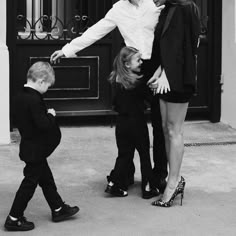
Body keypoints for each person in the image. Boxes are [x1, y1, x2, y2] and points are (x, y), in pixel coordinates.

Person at [50, 0, 168, 193]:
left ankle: (159, 175)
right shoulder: (119, 9)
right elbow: (96, 31)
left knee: (159, 123)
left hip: (154, 66)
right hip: (131, 67)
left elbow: (167, 32)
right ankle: (125, 175)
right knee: (129, 120)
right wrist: (67, 50)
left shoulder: (153, 5)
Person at [4, 62, 79, 231]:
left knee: (46, 180)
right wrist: (50, 115)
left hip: (30, 147)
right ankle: (13, 217)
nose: (47, 89)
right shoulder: (34, 99)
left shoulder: (19, 96)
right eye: (47, 85)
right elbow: (43, 125)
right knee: (29, 183)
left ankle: (58, 208)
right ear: (40, 81)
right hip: (36, 149)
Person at [148, 0, 201, 207]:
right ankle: (173, 178)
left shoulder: (186, 8)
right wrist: (160, 70)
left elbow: (187, 47)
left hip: (179, 78)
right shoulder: (169, 8)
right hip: (166, 77)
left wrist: (168, 74)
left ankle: (173, 182)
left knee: (174, 130)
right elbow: (167, 46)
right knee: (165, 128)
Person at [104, 46, 159, 199]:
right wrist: (153, 89)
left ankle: (114, 184)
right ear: (127, 64)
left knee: (124, 155)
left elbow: (115, 103)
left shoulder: (116, 80)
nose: (141, 62)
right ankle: (148, 187)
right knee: (144, 154)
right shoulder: (139, 82)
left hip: (121, 123)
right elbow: (150, 99)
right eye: (138, 60)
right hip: (137, 122)